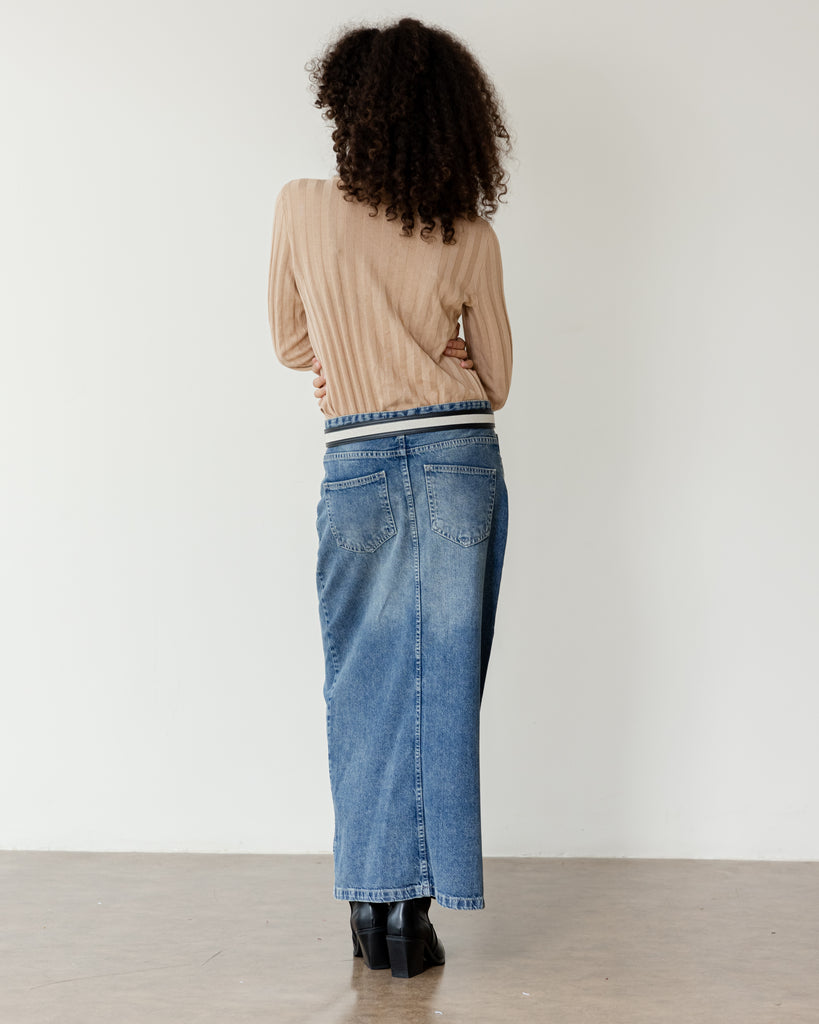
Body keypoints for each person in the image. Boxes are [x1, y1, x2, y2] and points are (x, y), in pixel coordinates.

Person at [267, 16, 514, 979]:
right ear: (457, 125)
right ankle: (412, 922)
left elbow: (293, 345)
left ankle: (374, 914)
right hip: (461, 459)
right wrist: (435, 355)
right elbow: (493, 377)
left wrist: (352, 356)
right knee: (441, 689)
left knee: (364, 684)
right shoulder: (470, 234)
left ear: (348, 110)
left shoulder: (299, 205)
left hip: (358, 460)